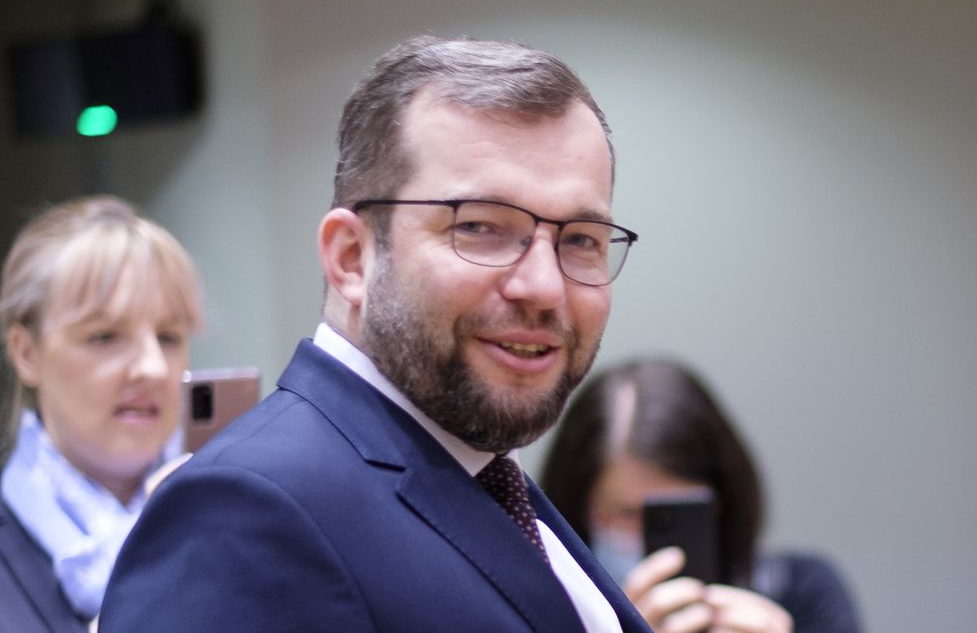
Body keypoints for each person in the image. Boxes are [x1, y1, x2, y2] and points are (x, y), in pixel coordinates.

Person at [99, 35, 650, 632]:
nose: (543, 287)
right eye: (480, 227)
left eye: (580, 240)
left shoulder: (491, 482)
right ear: (351, 257)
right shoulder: (244, 512)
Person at [0, 196, 203, 632]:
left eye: (168, 337)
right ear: (27, 353)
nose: (152, 368)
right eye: (105, 336)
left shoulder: (233, 516)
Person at [541, 359, 862, 633]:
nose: (647, 535)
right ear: (577, 507)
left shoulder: (804, 593)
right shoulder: (538, 610)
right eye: (626, 513)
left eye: (676, 513)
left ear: (724, 501)